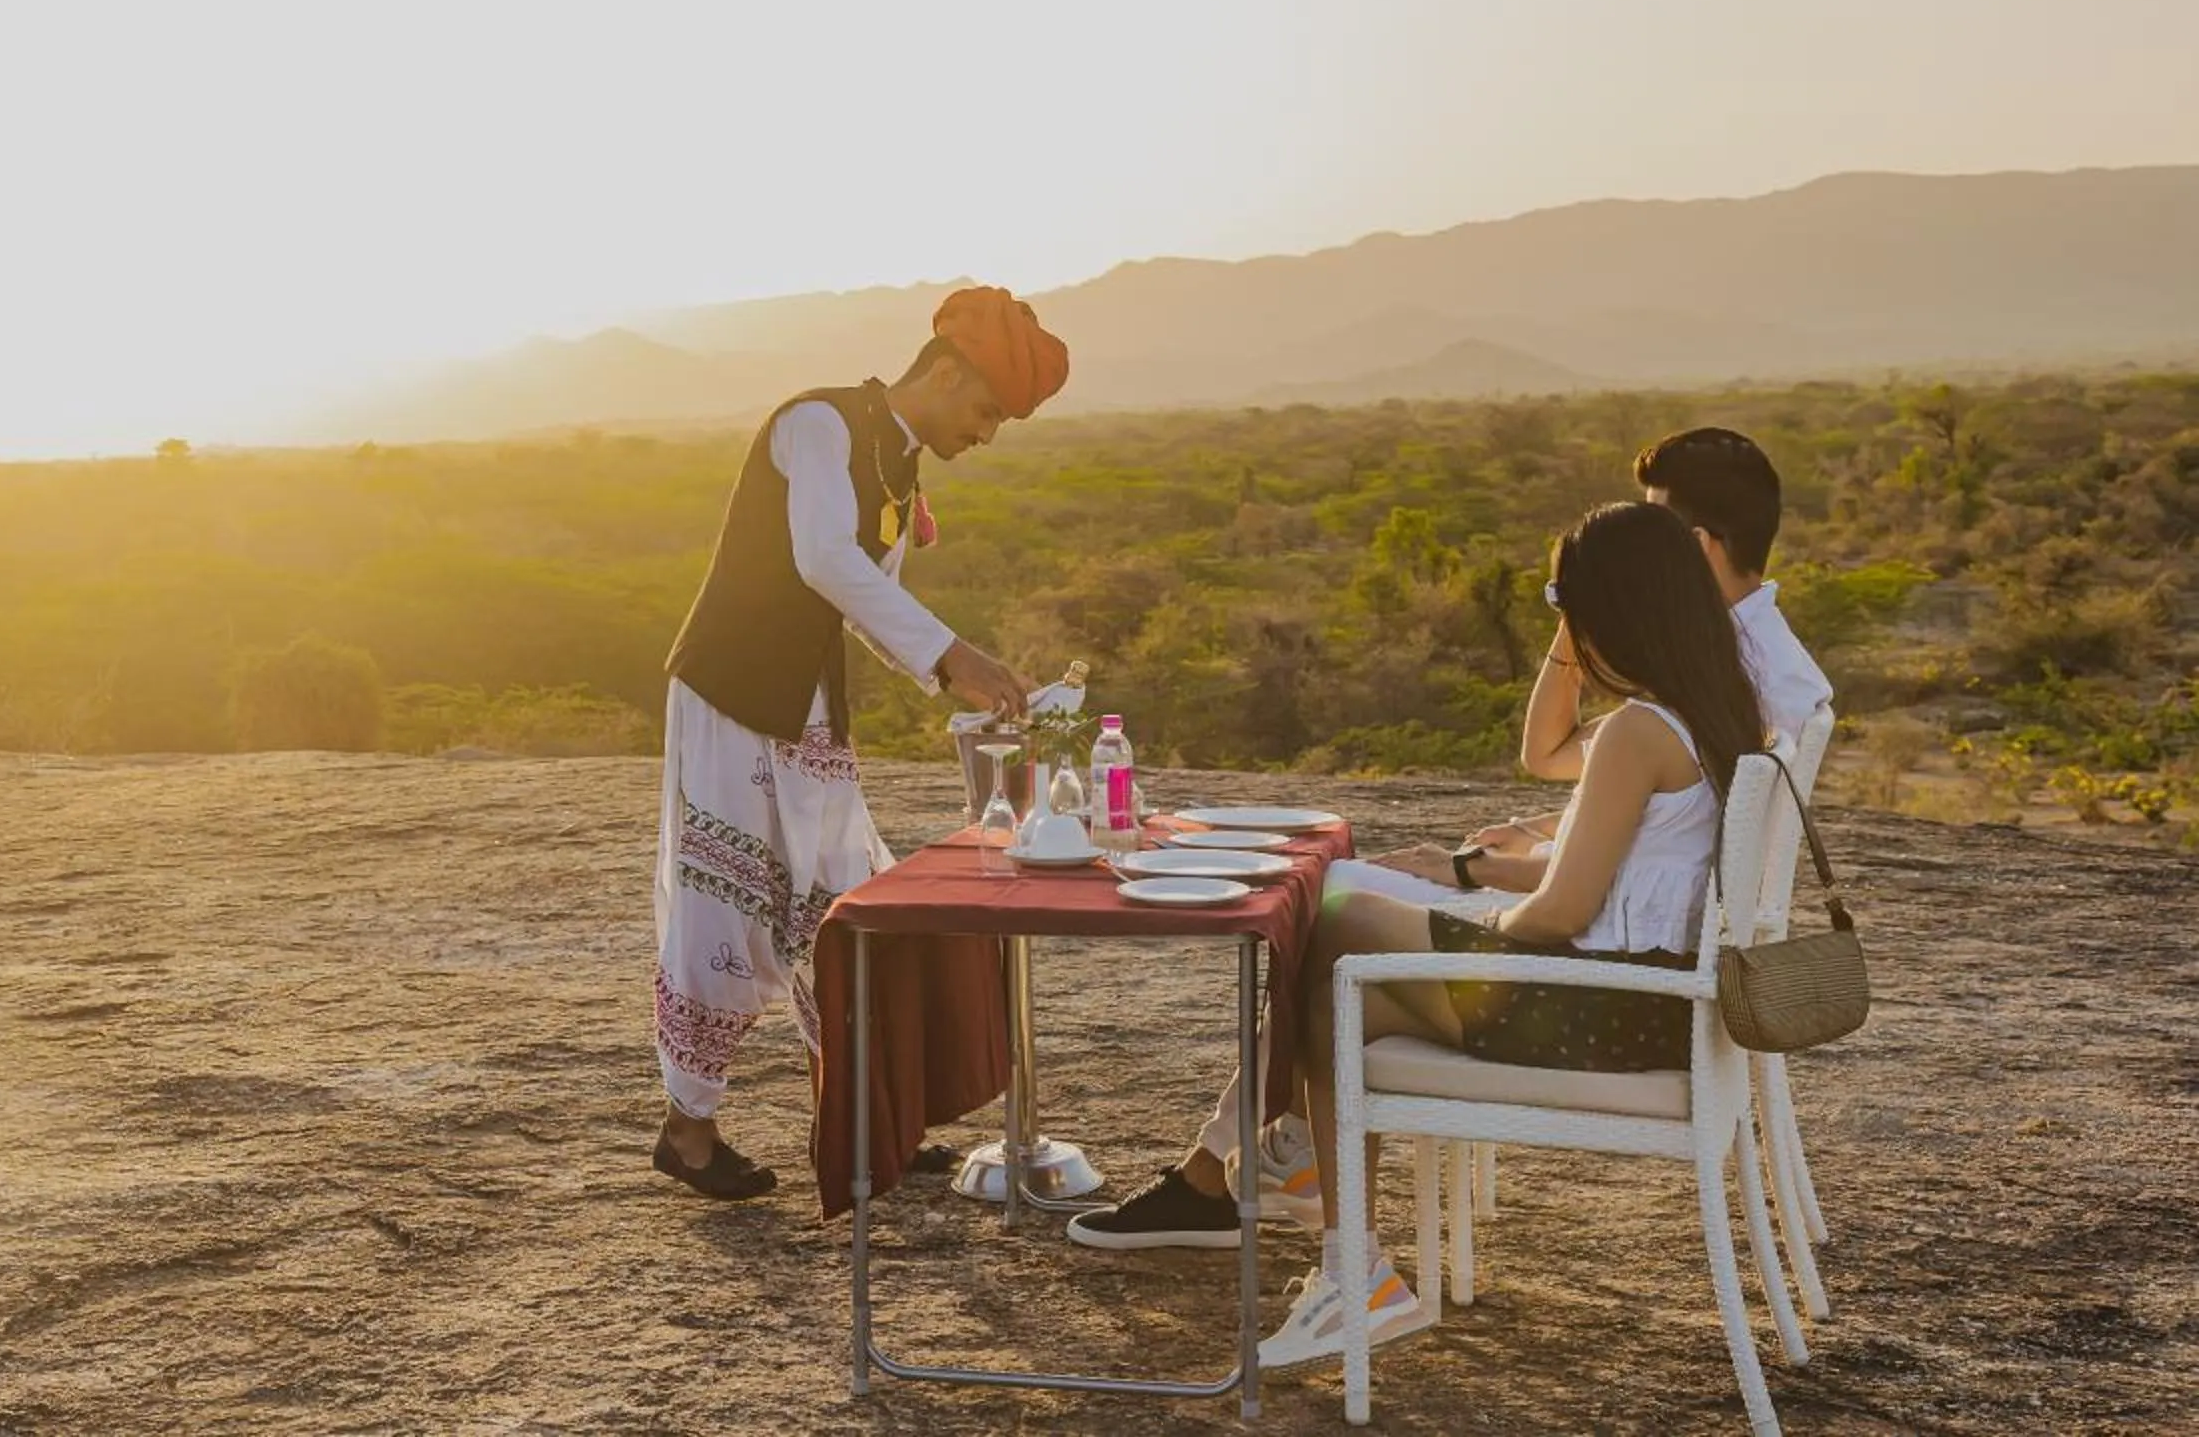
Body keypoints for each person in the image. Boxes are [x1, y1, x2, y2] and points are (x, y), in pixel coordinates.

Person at [1068, 502, 1767, 1373]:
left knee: (1338, 920)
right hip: (1651, 1004)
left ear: (1610, 611)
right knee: (1339, 973)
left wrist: (1463, 937)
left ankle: (1307, 1212)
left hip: (1608, 1010)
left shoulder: (1638, 732)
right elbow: (1613, 884)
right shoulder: (1719, 709)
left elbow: (1560, 913)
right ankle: (1331, 1238)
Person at [649, 286, 1068, 1200]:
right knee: (728, 900)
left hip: (804, 702)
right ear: (945, 371)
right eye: (988, 409)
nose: (988, 433)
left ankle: (859, 1121)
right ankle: (688, 1130)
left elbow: (862, 598)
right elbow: (823, 560)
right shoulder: (818, 424)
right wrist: (953, 654)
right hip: (728, 687)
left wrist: (958, 678)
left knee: (843, 900)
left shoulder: (897, 464)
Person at [1371, 425, 1832, 901]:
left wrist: (1479, 869)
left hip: (1622, 929)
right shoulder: (1765, 656)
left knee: (1348, 895)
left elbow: (1643, 876)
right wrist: (1584, 609)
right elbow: (1557, 758)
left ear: (1693, 549)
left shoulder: (1741, 674)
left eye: (1652, 531)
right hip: (1631, 911)